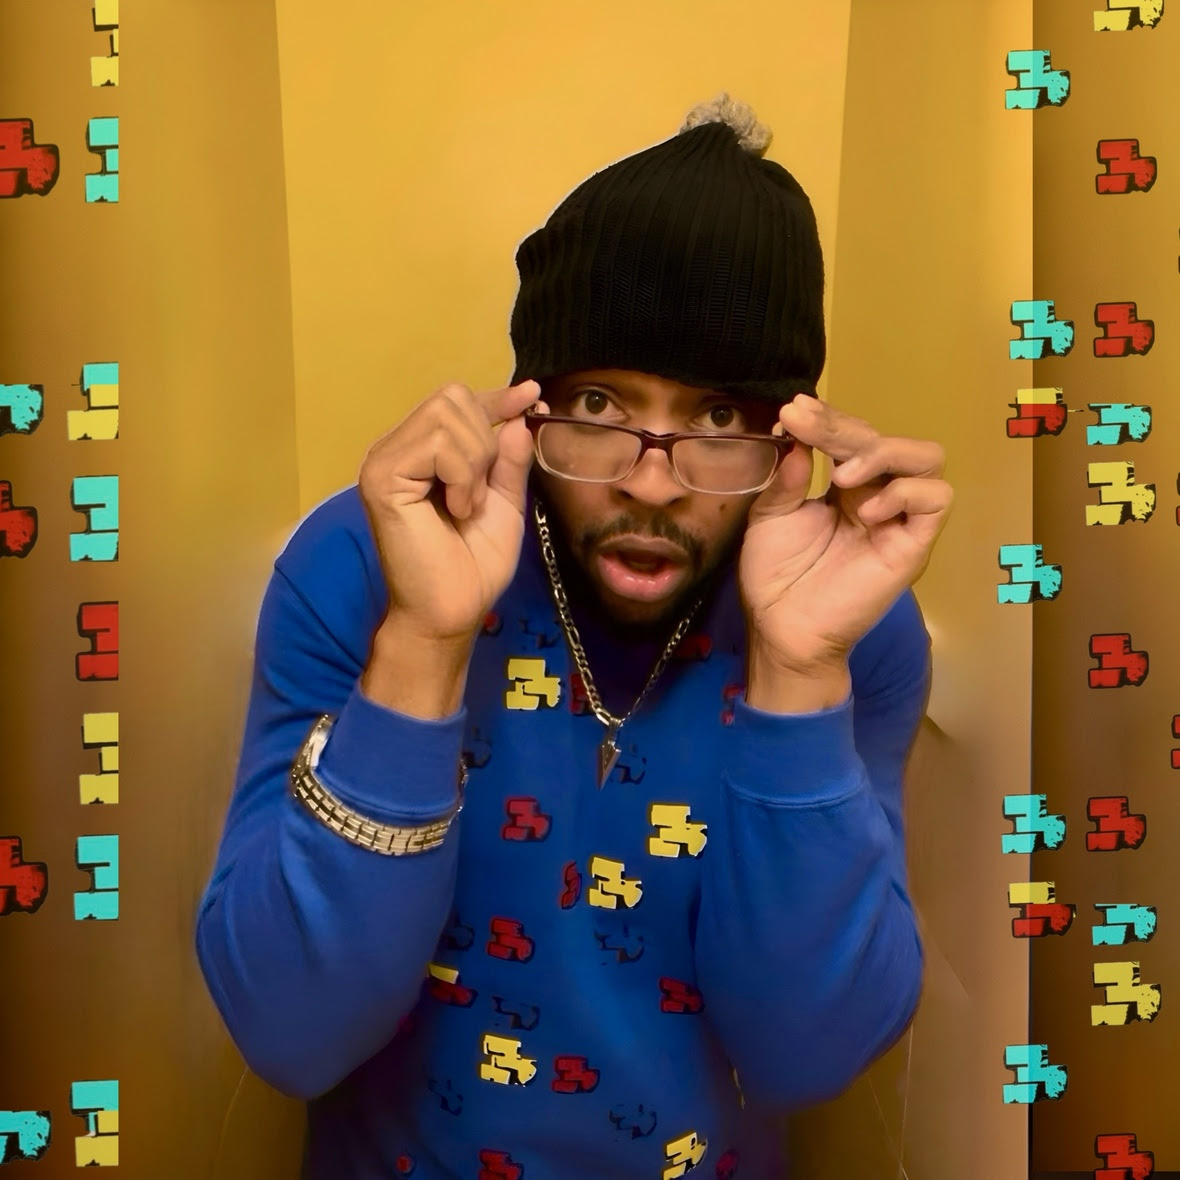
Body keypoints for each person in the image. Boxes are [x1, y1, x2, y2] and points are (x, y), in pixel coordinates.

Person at [196, 93, 952, 1178]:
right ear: (527, 409)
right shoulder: (366, 562)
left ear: (790, 440)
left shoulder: (849, 621)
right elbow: (288, 1035)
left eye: (719, 419)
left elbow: (804, 1060)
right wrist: (424, 641)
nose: (653, 483)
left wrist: (800, 671)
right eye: (599, 405)